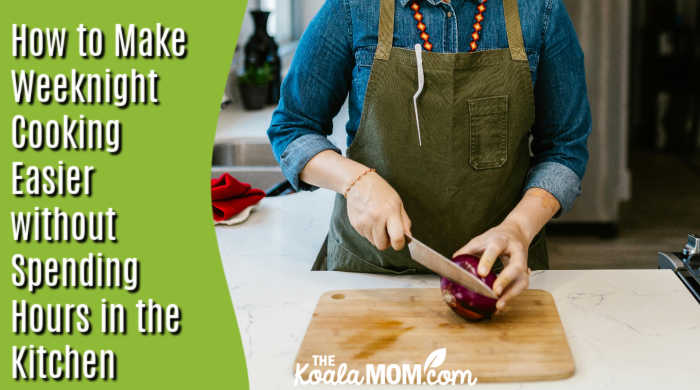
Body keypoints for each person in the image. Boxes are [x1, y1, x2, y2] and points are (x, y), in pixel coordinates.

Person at [267, 0, 591, 311]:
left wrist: (519, 228)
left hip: (497, 278)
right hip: (370, 274)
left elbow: (565, 148)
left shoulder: (540, 10)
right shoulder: (353, 7)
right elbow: (292, 128)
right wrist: (356, 183)